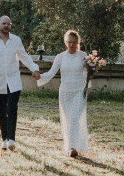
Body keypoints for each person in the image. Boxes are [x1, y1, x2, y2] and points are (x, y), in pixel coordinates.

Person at [0, 15, 40, 150]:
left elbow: (24, 57)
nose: (6, 26)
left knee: (12, 109)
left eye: (8, 24)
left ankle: (11, 139)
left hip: (13, 82)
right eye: (4, 23)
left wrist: (34, 68)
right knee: (1, 112)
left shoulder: (16, 41)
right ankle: (4, 138)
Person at [36, 29, 90, 157]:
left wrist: (90, 76)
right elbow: (51, 73)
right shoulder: (60, 57)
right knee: (68, 120)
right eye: (69, 42)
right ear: (66, 42)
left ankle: (73, 147)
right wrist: (39, 77)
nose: (71, 45)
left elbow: (86, 73)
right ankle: (70, 145)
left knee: (75, 118)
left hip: (78, 91)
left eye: (74, 42)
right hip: (65, 92)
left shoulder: (83, 56)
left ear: (77, 42)